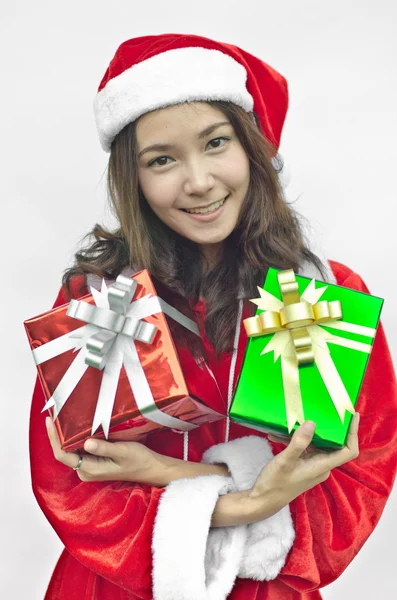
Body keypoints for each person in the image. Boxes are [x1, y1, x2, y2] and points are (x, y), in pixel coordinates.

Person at [29, 33, 397, 600]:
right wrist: (252, 501)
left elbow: (346, 490)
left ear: (251, 148)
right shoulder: (105, 302)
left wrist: (161, 473)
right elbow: (76, 488)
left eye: (216, 143)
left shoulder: (314, 297)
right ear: (134, 179)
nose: (198, 181)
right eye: (162, 160)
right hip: (112, 589)